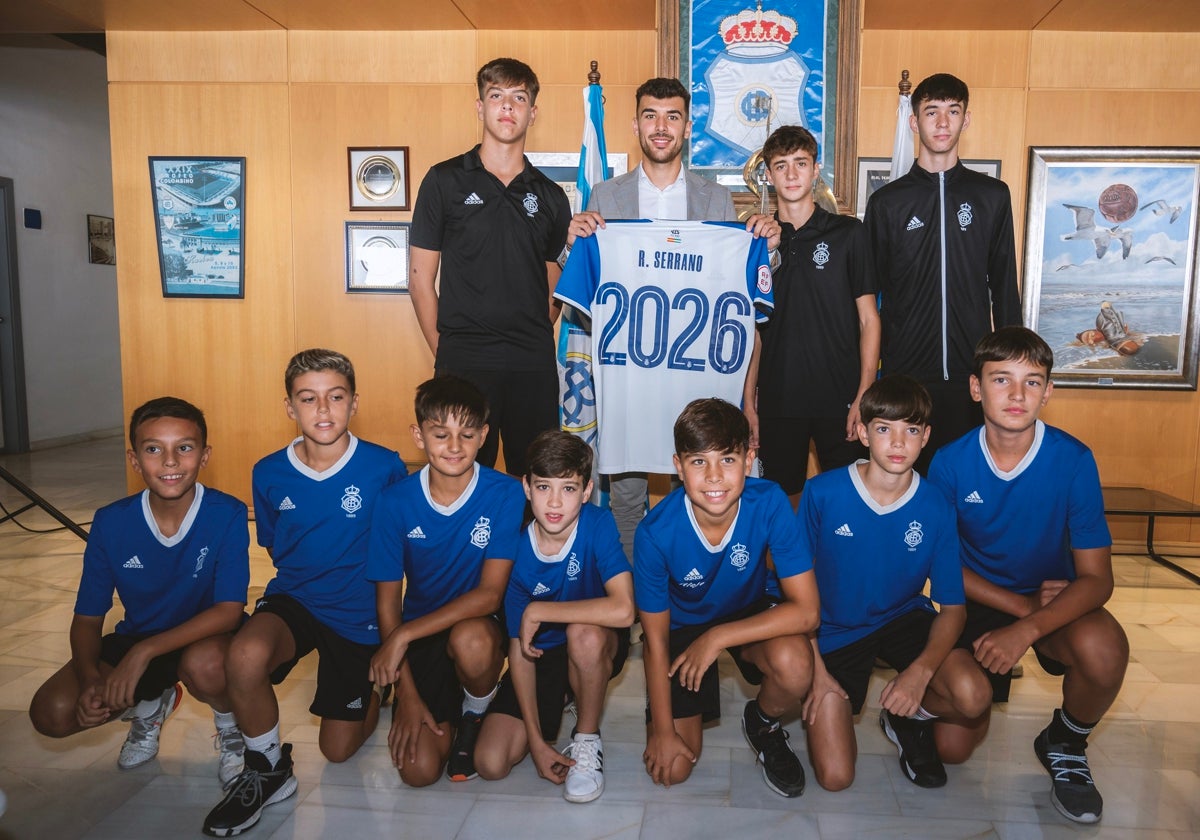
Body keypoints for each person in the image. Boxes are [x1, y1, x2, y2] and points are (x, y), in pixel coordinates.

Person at [563, 76, 782, 558]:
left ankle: (689, 592)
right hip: (630, 373)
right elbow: (584, 274)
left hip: (694, 372)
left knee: (700, 488)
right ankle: (632, 609)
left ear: (687, 128)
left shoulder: (716, 199)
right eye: (650, 115)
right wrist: (572, 239)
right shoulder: (605, 194)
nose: (660, 127)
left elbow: (739, 282)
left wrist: (768, 246)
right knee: (625, 495)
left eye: (672, 117)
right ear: (636, 124)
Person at [202, 349, 407, 837]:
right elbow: (274, 542)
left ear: (354, 402)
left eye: (335, 397)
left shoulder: (384, 467)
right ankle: (267, 767)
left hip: (360, 615)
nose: (323, 410)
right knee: (245, 654)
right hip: (296, 600)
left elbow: (396, 550)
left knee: (337, 751)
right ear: (289, 407)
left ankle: (376, 691)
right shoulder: (269, 472)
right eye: (308, 399)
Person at [928, 327, 1128, 824]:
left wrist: (1029, 628)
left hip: (1051, 603)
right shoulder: (949, 464)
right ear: (976, 388)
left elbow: (1097, 579)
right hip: (977, 598)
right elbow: (939, 567)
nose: (1017, 395)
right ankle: (911, 714)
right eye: (1001, 380)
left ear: (1048, 391)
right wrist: (1020, 613)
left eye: (1032, 382)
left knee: (1105, 648)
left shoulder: (1074, 460)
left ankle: (1066, 742)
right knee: (953, 749)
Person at [29, 397, 250, 786]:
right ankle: (151, 705)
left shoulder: (226, 512)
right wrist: (88, 678)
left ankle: (232, 729)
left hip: (207, 634)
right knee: (52, 712)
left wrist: (143, 654)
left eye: (184, 447)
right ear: (134, 460)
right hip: (140, 635)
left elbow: (229, 611)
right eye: (153, 449)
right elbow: (86, 619)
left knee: (208, 665)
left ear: (204, 455)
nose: (169, 461)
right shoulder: (111, 522)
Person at [798, 375, 990, 792]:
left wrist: (920, 673)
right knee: (835, 777)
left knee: (973, 695)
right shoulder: (822, 493)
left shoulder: (936, 504)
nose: (898, 443)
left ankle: (908, 718)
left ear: (926, 438)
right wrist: (815, 669)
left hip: (902, 616)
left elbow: (953, 609)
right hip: (832, 629)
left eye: (912, 430)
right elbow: (796, 595)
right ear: (863, 433)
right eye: (885, 429)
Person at [635, 398, 818, 797]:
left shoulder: (768, 501)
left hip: (745, 611)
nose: (715, 476)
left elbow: (807, 613)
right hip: (682, 627)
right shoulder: (654, 532)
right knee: (677, 766)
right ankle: (672, 719)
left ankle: (763, 723)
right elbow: (656, 641)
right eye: (699, 462)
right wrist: (663, 731)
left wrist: (716, 638)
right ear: (678, 466)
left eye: (728, 460)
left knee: (796, 663)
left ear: (749, 461)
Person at [409, 57, 571, 477]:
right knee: (459, 477)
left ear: (532, 113)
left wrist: (533, 330)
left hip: (532, 363)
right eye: (496, 96)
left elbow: (554, 279)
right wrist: (447, 351)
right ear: (480, 107)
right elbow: (420, 280)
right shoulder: (443, 181)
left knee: (536, 477)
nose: (507, 107)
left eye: (519, 98)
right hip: (464, 360)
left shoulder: (552, 197)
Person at [367, 375, 526, 786]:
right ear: (418, 436)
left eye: (467, 434)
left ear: (484, 436)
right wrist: (407, 694)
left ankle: (476, 711)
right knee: (418, 773)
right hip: (422, 633)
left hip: (477, 629)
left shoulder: (506, 493)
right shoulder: (394, 501)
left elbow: (491, 595)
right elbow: (387, 604)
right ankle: (451, 716)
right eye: (441, 434)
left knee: (470, 640)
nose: (454, 447)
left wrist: (401, 638)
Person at [864, 72, 1020, 474]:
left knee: (967, 487)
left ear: (966, 119)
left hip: (973, 376)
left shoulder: (992, 196)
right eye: (932, 112)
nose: (943, 122)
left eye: (953, 111)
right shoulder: (887, 203)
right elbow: (867, 298)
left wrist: (1010, 369)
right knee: (906, 487)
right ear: (914, 122)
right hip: (905, 375)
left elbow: (1004, 287)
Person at [474, 431, 634, 803]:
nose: (556, 502)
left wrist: (541, 609)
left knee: (584, 634)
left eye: (569, 488)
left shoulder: (597, 523)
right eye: (544, 487)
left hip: (596, 642)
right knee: (491, 763)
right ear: (527, 487)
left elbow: (625, 610)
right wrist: (536, 741)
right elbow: (519, 648)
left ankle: (587, 739)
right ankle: (564, 692)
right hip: (541, 655)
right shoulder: (513, 548)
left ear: (587, 489)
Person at [743, 124, 880, 504]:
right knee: (778, 507)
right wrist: (747, 401)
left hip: (840, 398)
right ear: (768, 175)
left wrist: (864, 394)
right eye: (781, 165)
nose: (791, 174)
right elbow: (751, 329)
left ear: (816, 169)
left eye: (800, 163)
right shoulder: (756, 241)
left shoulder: (849, 233)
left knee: (847, 503)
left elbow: (870, 320)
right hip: (777, 399)